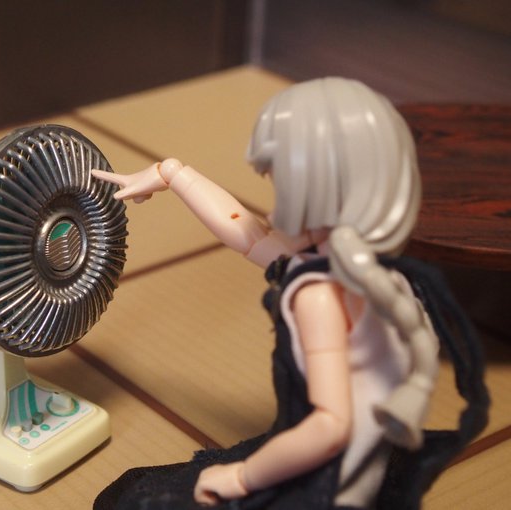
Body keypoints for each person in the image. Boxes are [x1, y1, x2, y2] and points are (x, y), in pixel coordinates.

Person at [91, 78, 488, 509]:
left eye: (285, 191)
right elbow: (246, 231)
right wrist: (172, 173)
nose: (274, 208)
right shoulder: (377, 274)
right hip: (360, 456)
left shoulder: (319, 296)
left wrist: (242, 477)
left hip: (325, 478)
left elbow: (330, 427)